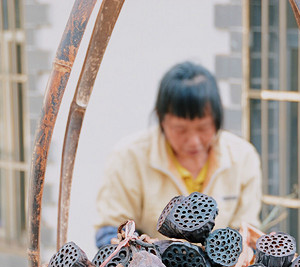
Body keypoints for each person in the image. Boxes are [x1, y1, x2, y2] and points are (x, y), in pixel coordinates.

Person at [94, 62, 262, 247]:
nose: (194, 141)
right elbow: (109, 230)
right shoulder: (128, 157)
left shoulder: (243, 157)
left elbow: (247, 233)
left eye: (203, 128)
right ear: (161, 119)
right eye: (180, 130)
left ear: (217, 118)